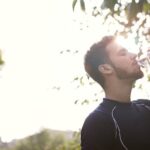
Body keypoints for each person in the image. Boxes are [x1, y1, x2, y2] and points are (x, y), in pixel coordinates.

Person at [81, 36, 150, 150]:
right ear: (106, 68)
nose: (134, 55)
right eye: (123, 53)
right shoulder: (98, 122)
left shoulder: (146, 106)